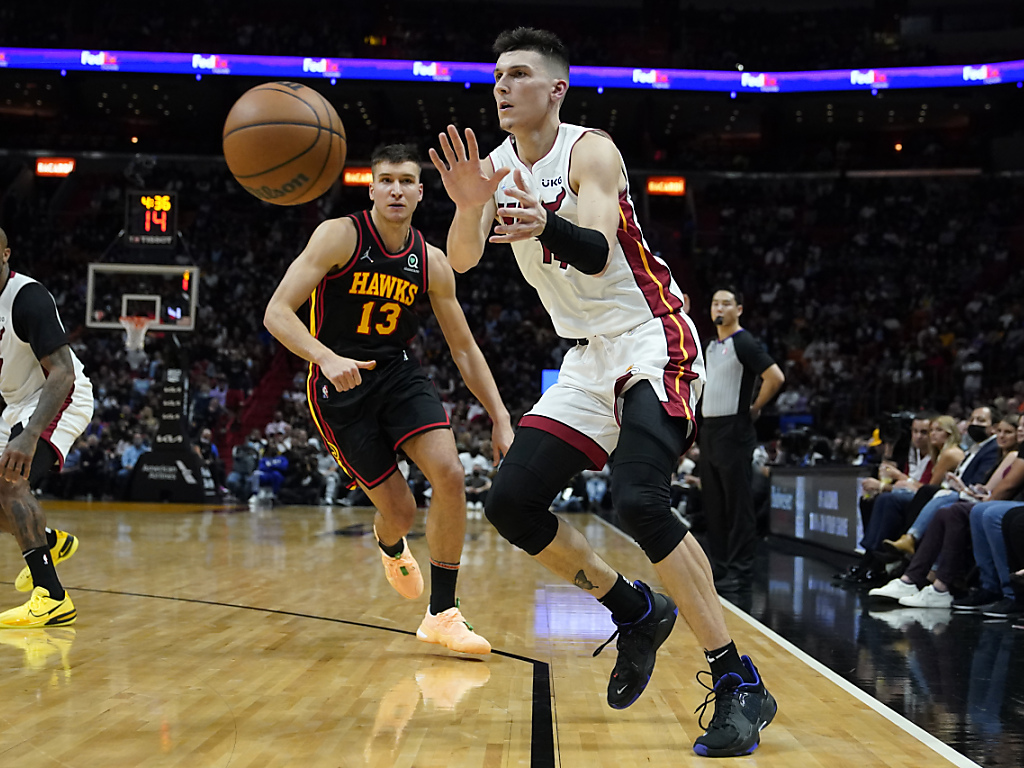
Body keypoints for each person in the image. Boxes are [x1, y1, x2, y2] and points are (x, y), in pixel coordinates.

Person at [429, 27, 776, 757]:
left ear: (556, 88)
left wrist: (543, 222)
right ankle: (634, 608)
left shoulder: (591, 151)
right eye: (497, 75)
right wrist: (466, 205)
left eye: (518, 75)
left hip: (652, 335)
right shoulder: (494, 167)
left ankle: (738, 680)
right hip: (587, 358)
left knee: (642, 500)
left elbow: (594, 252)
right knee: (510, 503)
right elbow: (461, 259)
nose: (502, 86)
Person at [264, 143, 513, 655]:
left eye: (405, 181)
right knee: (400, 512)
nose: (396, 189)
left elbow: (464, 348)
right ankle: (390, 541)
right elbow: (277, 312)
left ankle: (442, 613)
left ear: (420, 193)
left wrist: (500, 416)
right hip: (338, 387)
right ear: (372, 189)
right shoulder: (339, 236)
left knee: (450, 473)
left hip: (397, 374)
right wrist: (325, 357)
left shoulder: (432, 261)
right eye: (386, 180)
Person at [0, 226, 93, 628]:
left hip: (59, 395)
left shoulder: (27, 298)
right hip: (16, 404)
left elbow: (63, 373)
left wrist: (30, 433)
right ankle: (49, 540)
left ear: (5, 254)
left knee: (10, 482)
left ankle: (52, 597)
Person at [699, 288, 785, 591]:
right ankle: (721, 566)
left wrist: (756, 407)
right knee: (714, 504)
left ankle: (740, 569)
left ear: (739, 310)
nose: (719, 308)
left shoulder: (744, 342)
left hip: (734, 429)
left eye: (726, 303)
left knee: (737, 504)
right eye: (715, 303)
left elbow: (775, 376)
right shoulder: (709, 346)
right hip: (709, 430)